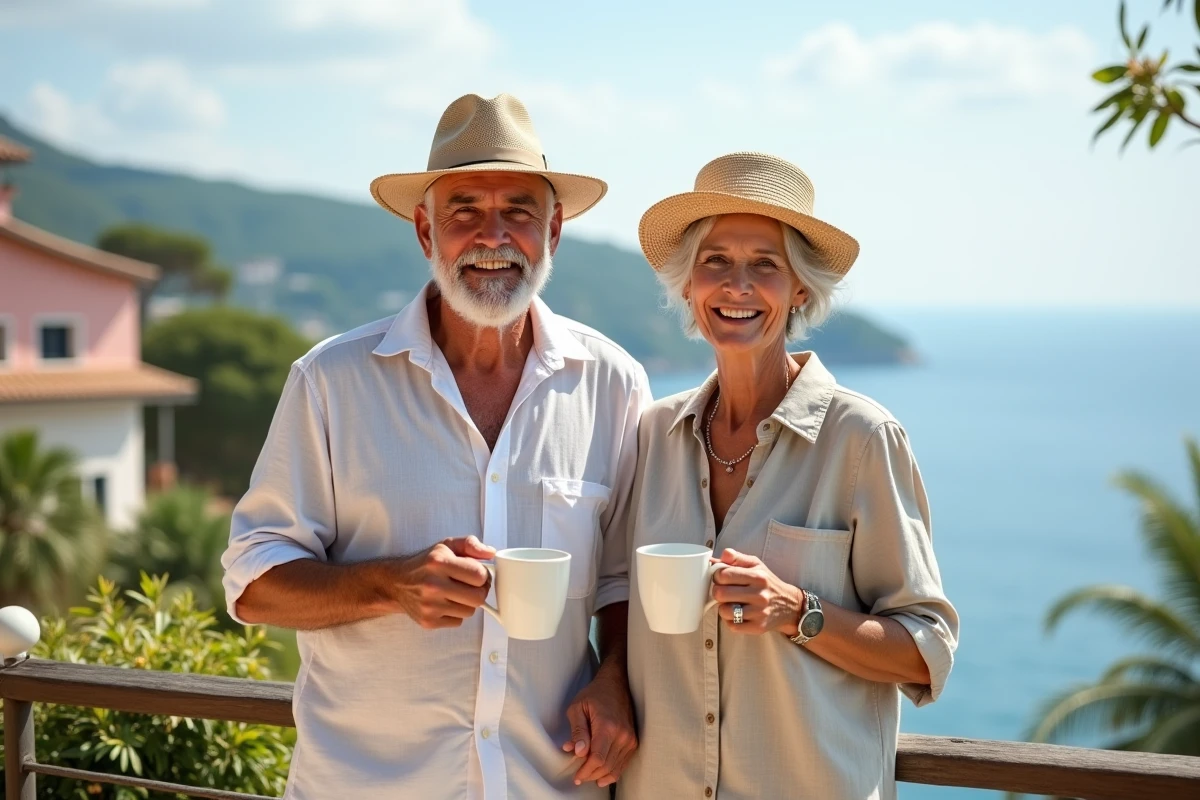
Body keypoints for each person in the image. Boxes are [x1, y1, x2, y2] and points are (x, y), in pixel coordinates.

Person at [221, 93, 649, 799]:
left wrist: (614, 677)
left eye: (518, 210)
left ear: (555, 230)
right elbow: (255, 585)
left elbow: (626, 578)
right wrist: (387, 584)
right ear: (425, 230)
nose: (493, 236)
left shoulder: (614, 384)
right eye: (464, 212)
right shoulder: (331, 380)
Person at [618, 152, 959, 799]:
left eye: (764, 266)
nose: (737, 285)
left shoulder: (862, 438)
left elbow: (926, 649)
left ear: (800, 289)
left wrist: (797, 611)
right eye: (715, 260)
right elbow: (611, 598)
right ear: (689, 283)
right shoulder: (652, 436)